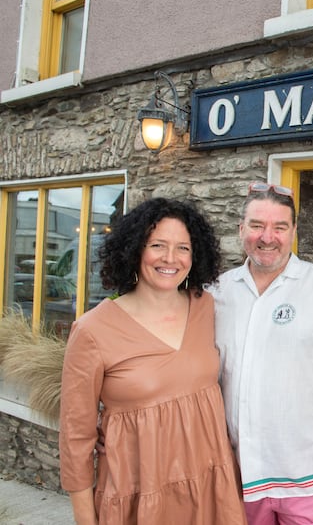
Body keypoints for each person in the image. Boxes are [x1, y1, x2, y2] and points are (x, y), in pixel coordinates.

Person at [59, 197, 247, 525]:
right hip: (137, 495)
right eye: (157, 245)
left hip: (209, 490)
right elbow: (76, 438)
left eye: (183, 248)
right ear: (133, 249)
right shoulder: (92, 330)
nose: (170, 258)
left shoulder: (207, 309)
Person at [209, 182, 313, 524]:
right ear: (241, 229)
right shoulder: (216, 292)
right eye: (257, 225)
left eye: (279, 227)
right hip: (238, 475)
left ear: (294, 232)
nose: (267, 237)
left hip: (308, 478)